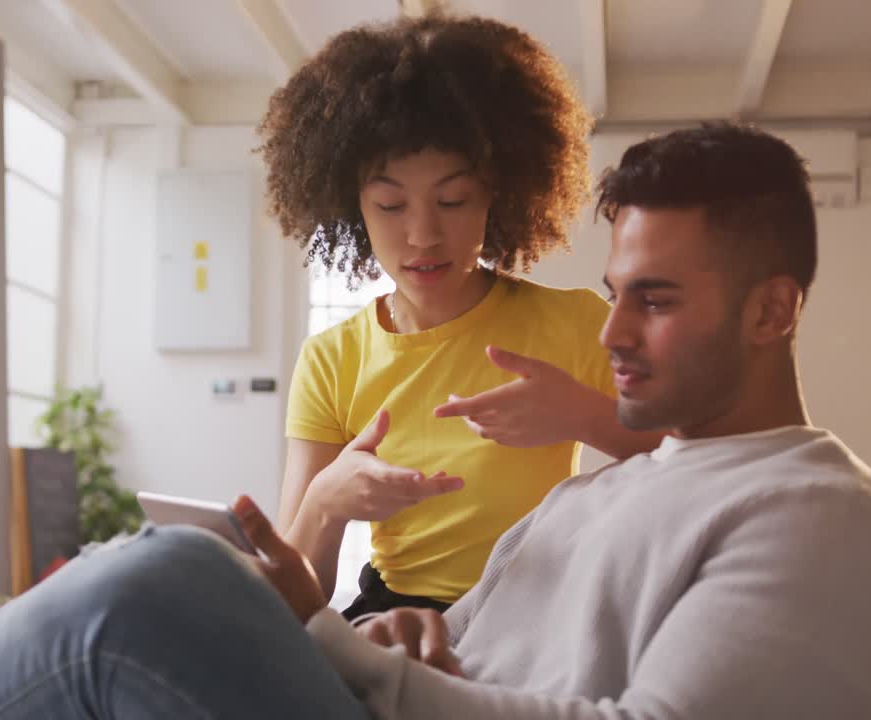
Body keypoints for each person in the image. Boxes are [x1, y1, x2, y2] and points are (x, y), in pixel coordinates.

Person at [0, 123, 871, 720]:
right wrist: (397, 626)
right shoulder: (608, 492)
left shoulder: (815, 521)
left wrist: (349, 652)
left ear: (774, 309)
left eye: (652, 302)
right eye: (611, 296)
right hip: (393, 686)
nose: (609, 334)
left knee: (159, 591)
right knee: (165, 563)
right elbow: (477, 636)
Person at [259, 13, 659, 618]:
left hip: (533, 616)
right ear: (352, 207)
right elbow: (290, 603)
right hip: (391, 616)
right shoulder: (331, 359)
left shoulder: (574, 323)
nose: (423, 234)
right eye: (391, 204)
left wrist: (585, 415)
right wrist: (325, 503)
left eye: (453, 200)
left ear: (499, 198)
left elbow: (699, 461)